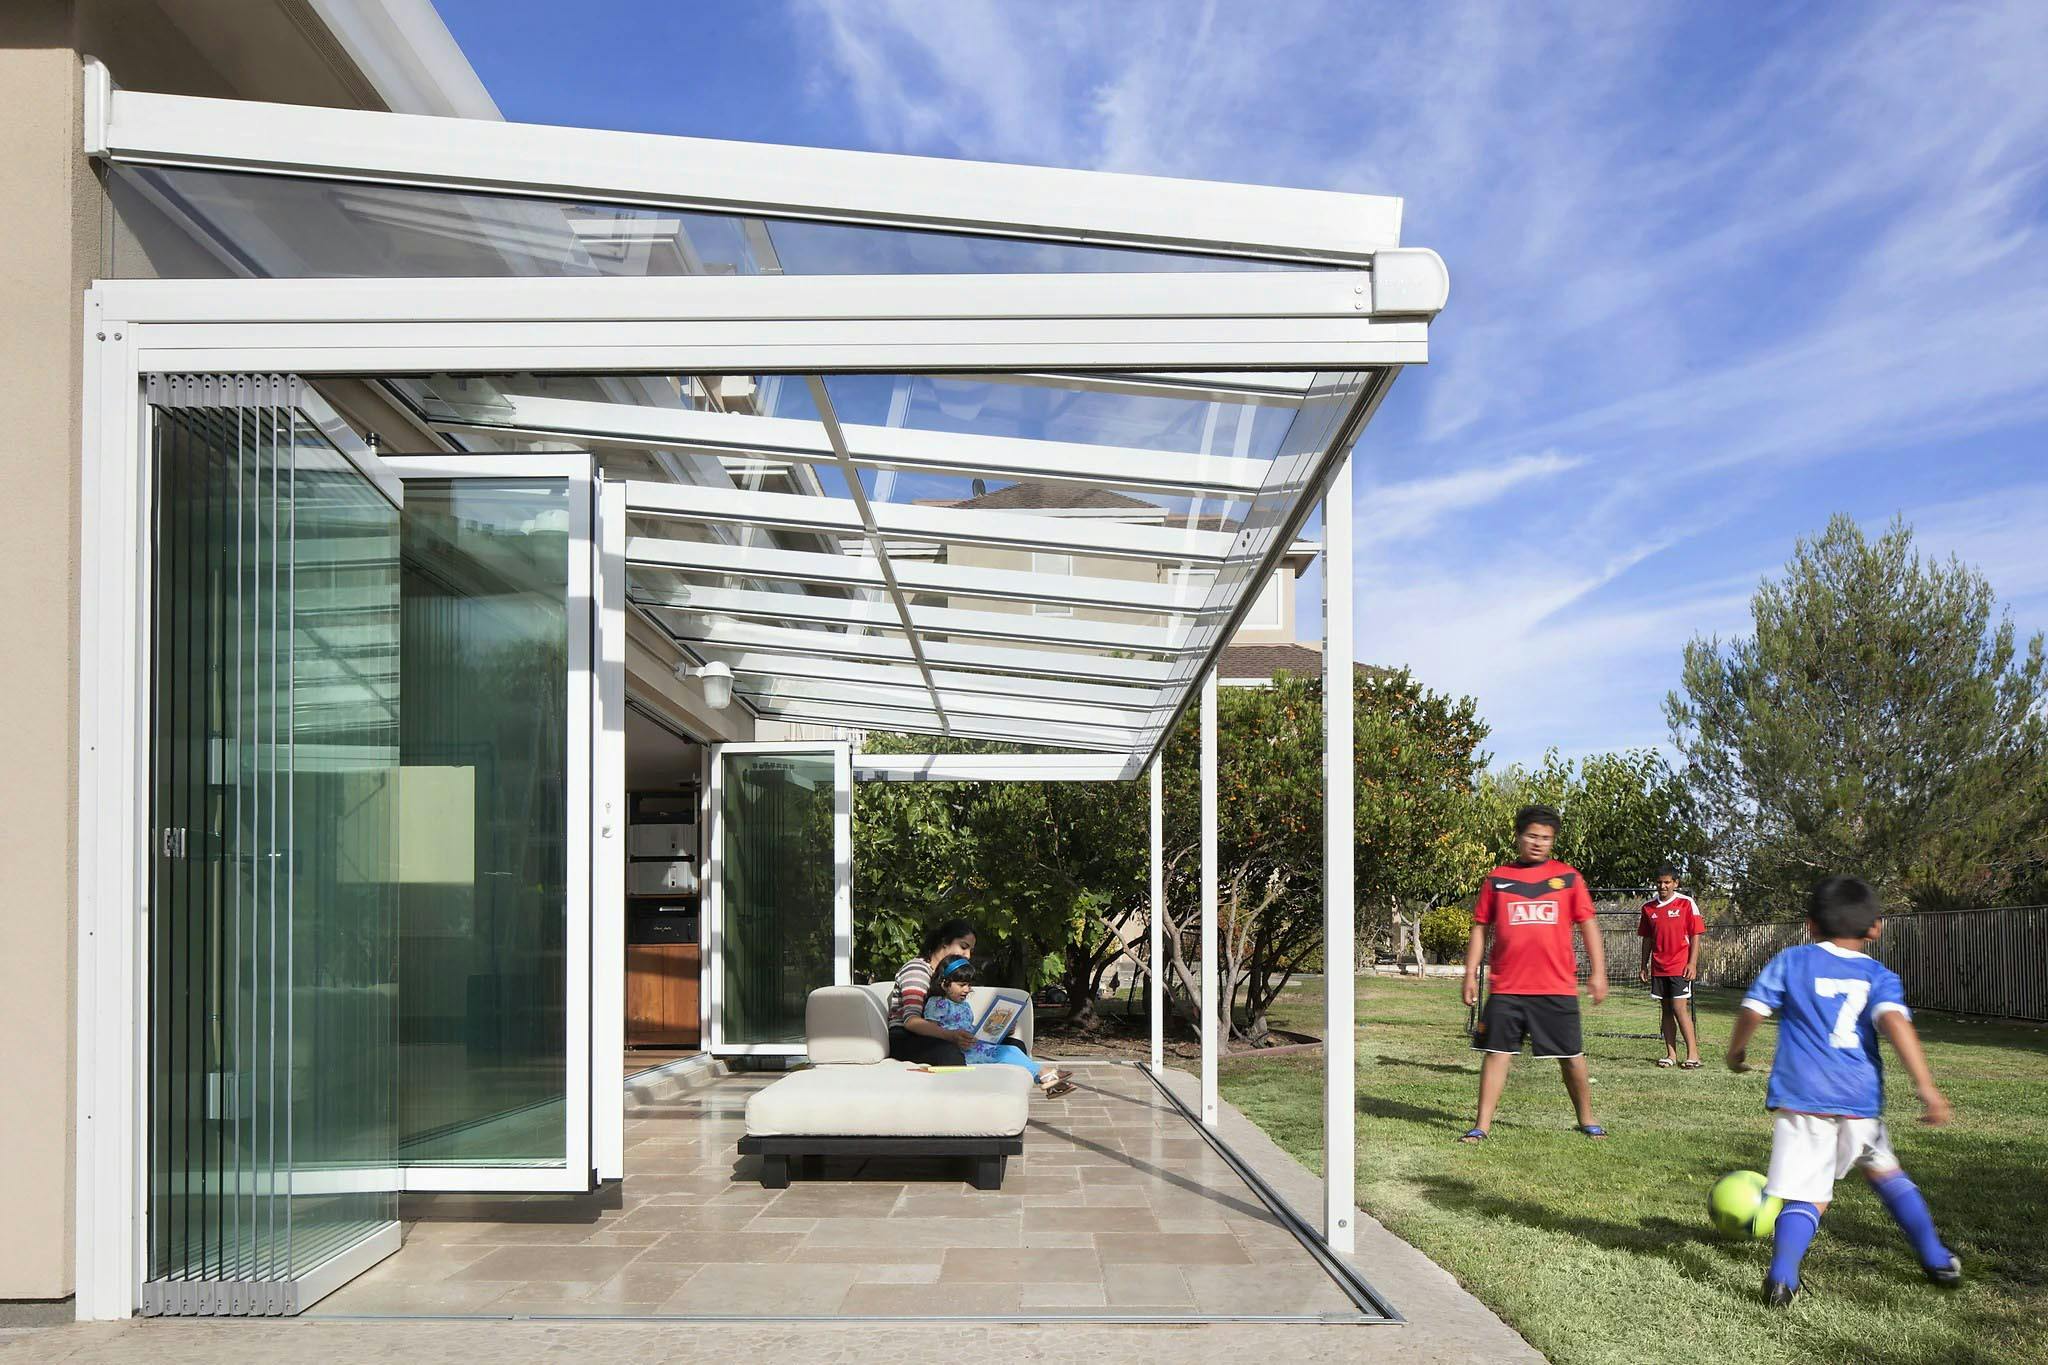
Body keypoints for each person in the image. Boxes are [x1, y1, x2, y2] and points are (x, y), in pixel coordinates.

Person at [1725, 875, 1960, 1307]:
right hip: (1858, 1100)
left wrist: (1736, 1051)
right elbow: (1896, 1025)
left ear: (1811, 925)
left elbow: (1753, 1009)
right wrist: (1926, 1087)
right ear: (1876, 927)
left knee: (1807, 1194)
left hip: (1801, 1096)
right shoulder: (1878, 975)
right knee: (1886, 1172)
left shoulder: (1791, 961)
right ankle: (1936, 1258)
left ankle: (1781, 1278)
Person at [1460, 803, 1608, 1142]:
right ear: (1518, 837)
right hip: (1507, 988)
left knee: (1571, 1058)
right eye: (1532, 836)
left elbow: (1588, 924)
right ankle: (1481, 1125)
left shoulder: (1569, 878)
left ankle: (1587, 1119)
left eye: (1546, 838)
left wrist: (1598, 973)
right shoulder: (1498, 879)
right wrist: (1470, 974)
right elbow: (1480, 928)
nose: (1539, 843)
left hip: (1555, 987)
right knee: (1497, 1055)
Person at [926, 955, 1076, 1098]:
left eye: (969, 984)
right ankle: (1044, 1074)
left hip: (974, 1045)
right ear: (944, 984)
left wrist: (1000, 1030)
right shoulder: (937, 1003)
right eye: (961, 985)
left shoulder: (963, 1004)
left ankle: (1050, 1082)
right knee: (1008, 1052)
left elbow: (969, 1027)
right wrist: (952, 1038)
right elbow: (931, 1031)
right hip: (962, 1052)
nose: (967, 989)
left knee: (1012, 1049)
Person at [1638, 865, 1708, 1068]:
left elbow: (1696, 934)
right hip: (1659, 968)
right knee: (1666, 1009)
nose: (1663, 886)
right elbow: (1647, 939)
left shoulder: (1686, 904)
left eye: (1667, 882)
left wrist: (1692, 963)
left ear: (1675, 883)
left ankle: (1693, 1055)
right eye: (1659, 882)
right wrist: (1643, 964)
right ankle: (1671, 1055)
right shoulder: (1648, 908)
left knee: (1679, 1008)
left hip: (1680, 967)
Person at [886, 918, 978, 1066]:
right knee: (950, 1054)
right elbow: (911, 1021)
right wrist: (951, 1036)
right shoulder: (917, 970)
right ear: (944, 941)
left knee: (1012, 1044)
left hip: (940, 1034)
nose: (968, 956)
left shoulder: (949, 976)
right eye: (963, 947)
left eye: (970, 950)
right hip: (907, 1037)